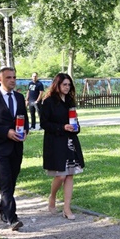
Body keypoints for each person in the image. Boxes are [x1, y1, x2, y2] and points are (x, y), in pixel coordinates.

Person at [0, 67, 29, 231]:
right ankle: (12, 217)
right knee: (5, 181)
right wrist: (5, 132)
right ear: (0, 80)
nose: (13, 80)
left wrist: (25, 131)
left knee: (12, 181)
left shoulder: (19, 97)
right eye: (9, 77)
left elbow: (25, 119)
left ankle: (3, 211)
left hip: (16, 146)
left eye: (14, 77)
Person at [40, 73, 85, 219]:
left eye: (69, 84)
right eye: (64, 84)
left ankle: (67, 208)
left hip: (70, 142)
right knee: (60, 175)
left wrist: (76, 127)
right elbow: (44, 123)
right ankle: (52, 196)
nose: (67, 87)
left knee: (70, 174)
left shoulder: (70, 101)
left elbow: (75, 121)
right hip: (56, 142)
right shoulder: (48, 102)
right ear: (57, 85)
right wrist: (62, 127)